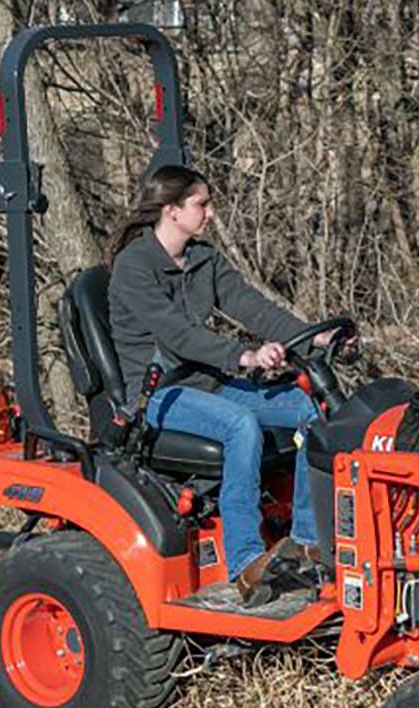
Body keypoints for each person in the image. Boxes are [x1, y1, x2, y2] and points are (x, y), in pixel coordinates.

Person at [107, 165, 327, 603]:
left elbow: (252, 307)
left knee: (309, 409)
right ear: (171, 210)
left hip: (206, 382)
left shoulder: (202, 259)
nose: (209, 213)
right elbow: (175, 333)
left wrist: (317, 334)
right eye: (201, 204)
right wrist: (243, 356)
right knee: (240, 424)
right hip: (155, 394)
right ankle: (245, 562)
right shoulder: (134, 267)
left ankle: (305, 541)